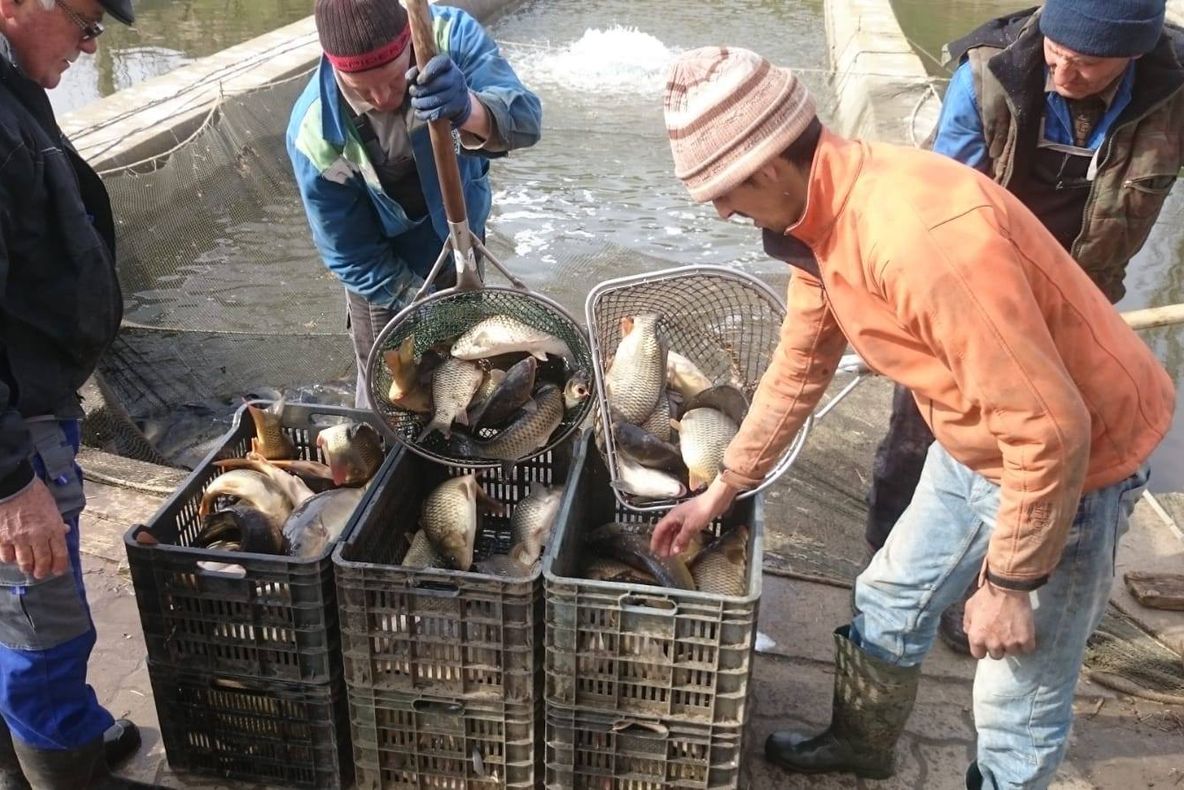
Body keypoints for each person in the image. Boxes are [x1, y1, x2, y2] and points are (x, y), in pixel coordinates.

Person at [651, 46, 1173, 789]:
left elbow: (1052, 428)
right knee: (890, 594)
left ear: (768, 166)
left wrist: (1010, 586)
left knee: (1017, 681)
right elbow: (799, 366)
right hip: (974, 437)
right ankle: (860, 744)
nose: (724, 212)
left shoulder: (915, 237)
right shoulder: (819, 223)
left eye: (723, 194)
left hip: (1076, 465)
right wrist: (724, 485)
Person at [864, 0, 1184, 652]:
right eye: (1056, 53)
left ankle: (988, 585)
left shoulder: (1172, 87)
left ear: (1134, 55)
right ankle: (888, 561)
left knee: (1033, 446)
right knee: (920, 432)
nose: (1063, 72)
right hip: (975, 281)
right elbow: (937, 195)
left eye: (1088, 64)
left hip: (1080, 296)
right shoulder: (987, 72)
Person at [0, 0, 157, 786]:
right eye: (86, 18)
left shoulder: (12, 88)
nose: (92, 41)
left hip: (33, 392)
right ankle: (69, 770)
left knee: (11, 608)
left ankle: (45, 751)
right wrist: (12, 483)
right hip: (15, 429)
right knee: (44, 619)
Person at [287, 0, 542, 408]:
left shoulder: (448, 37)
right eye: (362, 89)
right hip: (384, 280)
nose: (383, 97)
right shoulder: (315, 134)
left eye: (392, 81)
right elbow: (350, 253)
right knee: (393, 396)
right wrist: (418, 302)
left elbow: (527, 123)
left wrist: (469, 108)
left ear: (408, 38)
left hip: (462, 247)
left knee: (467, 385)